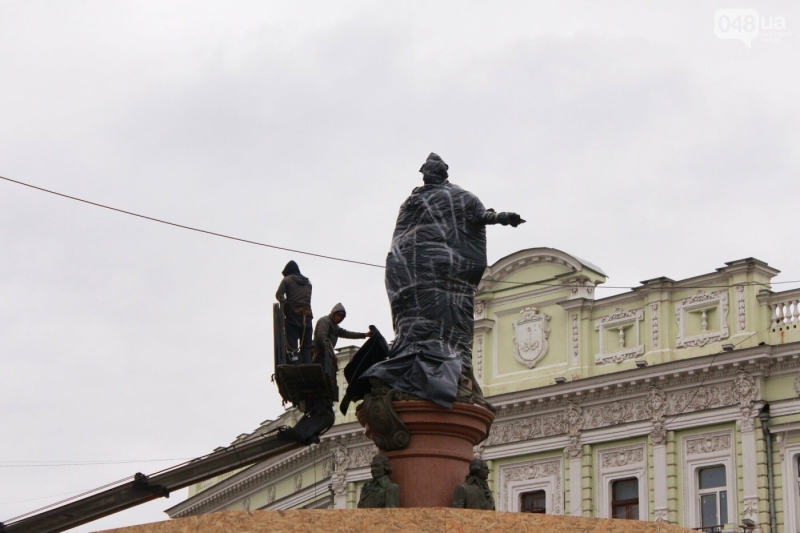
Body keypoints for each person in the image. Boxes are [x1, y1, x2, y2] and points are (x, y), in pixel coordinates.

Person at [362, 153, 524, 408]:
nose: (429, 175)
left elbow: (481, 215)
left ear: (442, 173)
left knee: (453, 322)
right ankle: (419, 368)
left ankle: (455, 376)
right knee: (412, 323)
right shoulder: (413, 201)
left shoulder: (460, 197)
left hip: (447, 276)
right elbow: (400, 237)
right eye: (427, 171)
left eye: (433, 171)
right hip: (413, 275)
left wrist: (503, 217)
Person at [275, 260, 313, 364]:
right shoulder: (308, 283)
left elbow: (279, 295)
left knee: (292, 345)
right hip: (307, 317)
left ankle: (294, 364)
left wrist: (285, 304)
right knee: (306, 347)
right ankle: (307, 365)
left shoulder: (287, 280)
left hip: (293, 316)